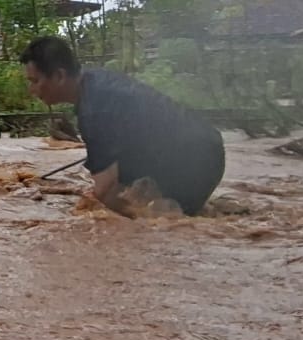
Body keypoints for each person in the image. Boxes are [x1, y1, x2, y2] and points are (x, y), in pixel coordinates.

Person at [19, 35, 225, 218]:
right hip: (204, 148)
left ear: (59, 76)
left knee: (157, 223)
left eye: (35, 81)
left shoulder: (95, 107)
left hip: (196, 161)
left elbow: (105, 190)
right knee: (134, 193)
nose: (31, 90)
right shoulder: (95, 83)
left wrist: (85, 217)